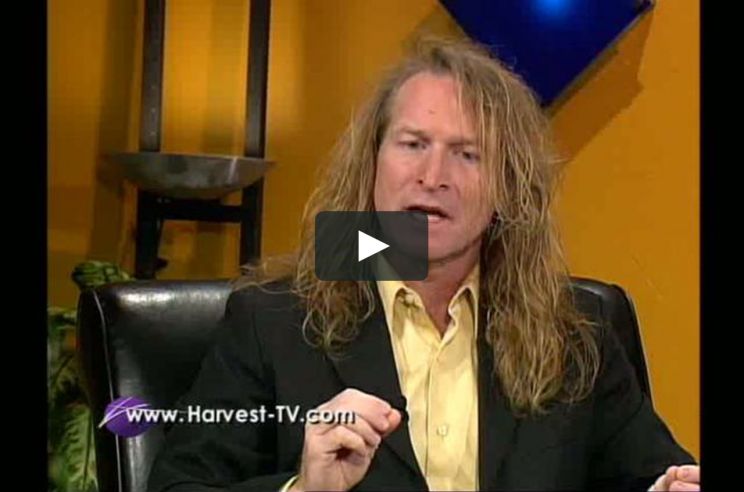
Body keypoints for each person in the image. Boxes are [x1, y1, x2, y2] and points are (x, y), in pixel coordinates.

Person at [147, 38, 699, 491]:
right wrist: (304, 489)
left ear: (508, 189)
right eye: (413, 144)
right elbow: (180, 486)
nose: (433, 176)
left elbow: (649, 474)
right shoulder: (271, 320)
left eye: (468, 154)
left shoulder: (578, 331)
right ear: (371, 164)